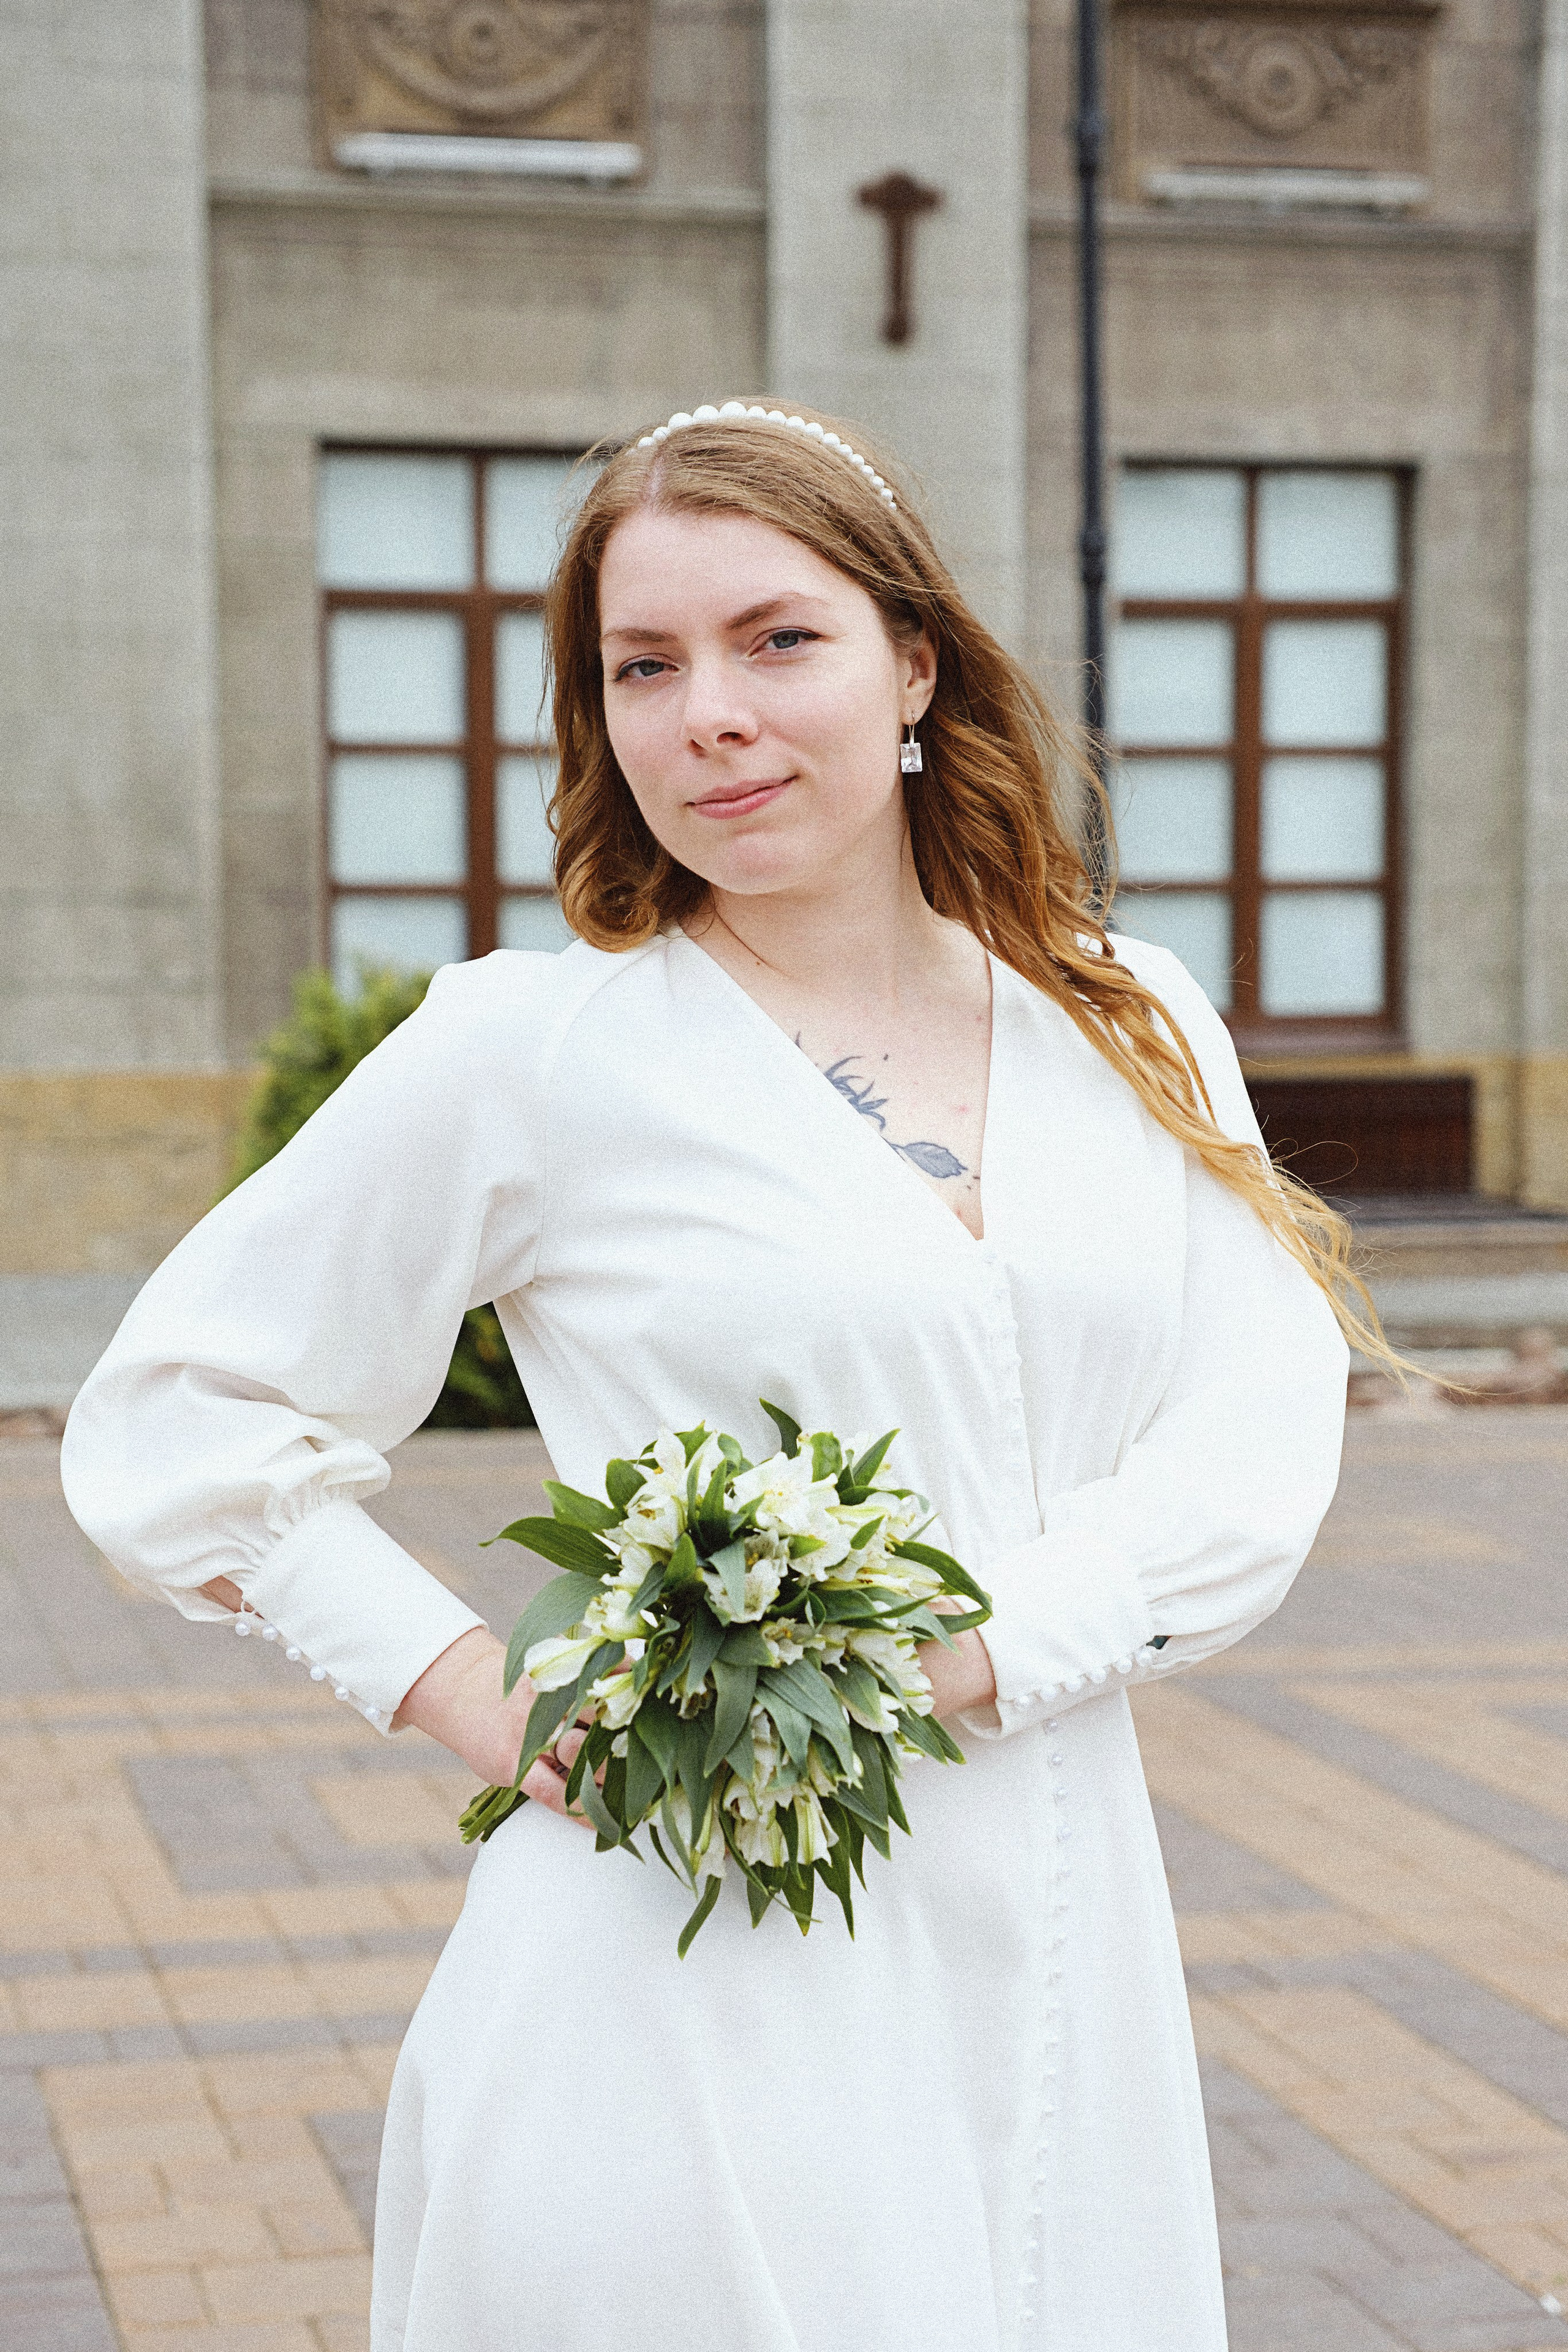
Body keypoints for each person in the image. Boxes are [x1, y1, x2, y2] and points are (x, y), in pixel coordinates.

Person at [62, 400, 1371, 2351]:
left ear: (913, 660)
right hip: (680, 1958)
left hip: (1064, 1938)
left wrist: (971, 1656)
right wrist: (491, 1703)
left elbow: (1253, 1446)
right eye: (643, 668)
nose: (711, 717)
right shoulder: (536, 1050)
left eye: (779, 640)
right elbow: (179, 1423)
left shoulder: (1134, 1014)